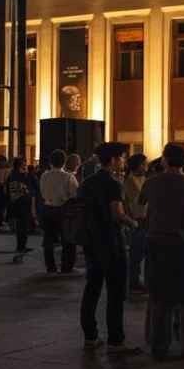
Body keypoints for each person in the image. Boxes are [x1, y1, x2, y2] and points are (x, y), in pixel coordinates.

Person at [138, 143, 184, 359]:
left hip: (158, 241)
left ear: (164, 160)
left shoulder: (151, 183)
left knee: (159, 296)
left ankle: (159, 346)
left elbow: (141, 206)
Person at [78, 142, 141, 354]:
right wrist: (134, 223)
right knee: (115, 292)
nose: (123, 161)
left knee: (92, 288)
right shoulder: (113, 184)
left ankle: (90, 336)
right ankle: (116, 340)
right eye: (122, 157)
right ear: (113, 159)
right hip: (111, 242)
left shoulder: (86, 183)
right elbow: (117, 214)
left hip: (90, 241)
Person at [39, 149, 79, 274]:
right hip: (63, 209)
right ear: (64, 162)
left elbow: (42, 191)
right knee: (67, 240)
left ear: (50, 161)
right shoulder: (68, 176)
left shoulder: (44, 175)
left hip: (47, 208)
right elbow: (75, 195)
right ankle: (66, 267)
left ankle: (50, 267)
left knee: (48, 240)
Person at [123, 154, 150, 294]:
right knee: (136, 254)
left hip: (146, 219)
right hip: (138, 220)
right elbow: (136, 202)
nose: (146, 167)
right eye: (144, 164)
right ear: (138, 165)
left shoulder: (144, 179)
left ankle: (140, 281)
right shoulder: (130, 181)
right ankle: (134, 282)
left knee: (143, 253)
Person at [5, 157, 37, 254]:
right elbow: (33, 187)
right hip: (23, 203)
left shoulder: (13, 175)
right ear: (21, 165)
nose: (26, 165)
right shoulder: (22, 176)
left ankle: (21, 246)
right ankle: (21, 246)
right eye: (24, 163)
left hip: (17, 203)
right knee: (23, 226)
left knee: (21, 226)